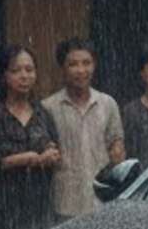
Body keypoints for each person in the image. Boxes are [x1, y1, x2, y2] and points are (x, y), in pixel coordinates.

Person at [0, 44, 61, 229]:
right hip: (4, 204)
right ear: (4, 76)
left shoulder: (43, 113)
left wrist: (51, 155)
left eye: (29, 69)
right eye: (16, 70)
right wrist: (26, 159)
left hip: (40, 202)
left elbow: (55, 148)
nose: (24, 76)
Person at [42, 38, 124, 219]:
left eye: (87, 63)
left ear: (94, 66)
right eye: (73, 64)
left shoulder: (108, 104)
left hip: (103, 202)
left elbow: (117, 146)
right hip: (65, 202)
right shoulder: (48, 107)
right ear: (62, 68)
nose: (81, 70)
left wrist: (117, 153)